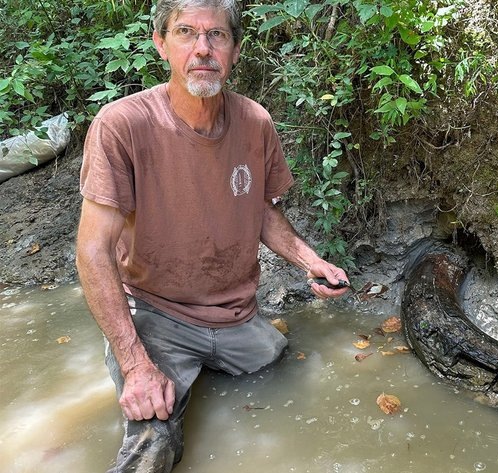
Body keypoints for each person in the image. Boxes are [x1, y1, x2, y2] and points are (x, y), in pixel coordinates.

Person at [74, 1, 350, 471]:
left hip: (235, 315)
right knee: (153, 441)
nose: (203, 49)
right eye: (186, 32)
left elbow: (262, 210)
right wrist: (137, 364)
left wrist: (310, 261)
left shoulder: (255, 122)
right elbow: (93, 250)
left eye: (217, 36)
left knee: (281, 366)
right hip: (156, 312)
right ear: (161, 43)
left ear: (236, 50)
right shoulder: (121, 126)